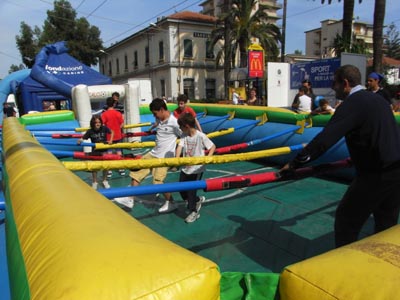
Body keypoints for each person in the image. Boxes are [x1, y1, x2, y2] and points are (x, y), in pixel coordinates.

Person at [280, 64, 400, 248]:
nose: (332, 88)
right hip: (395, 170)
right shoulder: (377, 100)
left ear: (344, 83)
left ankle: (343, 266)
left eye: (333, 83)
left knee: (346, 220)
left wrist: (295, 164)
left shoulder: (353, 104)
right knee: (386, 223)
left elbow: (325, 140)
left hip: (375, 173)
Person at [123, 98, 182, 213]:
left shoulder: (174, 122)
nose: (154, 116)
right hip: (153, 153)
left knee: (157, 183)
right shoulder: (159, 119)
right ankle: (130, 199)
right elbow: (157, 123)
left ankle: (171, 203)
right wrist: (151, 128)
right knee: (136, 172)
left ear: (161, 110)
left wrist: (179, 155)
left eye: (155, 113)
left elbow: (184, 136)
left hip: (164, 157)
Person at [176, 113, 216, 223]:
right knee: (181, 188)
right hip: (186, 168)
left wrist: (208, 158)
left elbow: (212, 146)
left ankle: (193, 212)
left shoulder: (201, 136)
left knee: (191, 190)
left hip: (197, 168)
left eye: (181, 126)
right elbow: (180, 147)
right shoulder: (184, 135)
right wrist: (176, 159)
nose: (180, 129)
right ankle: (197, 200)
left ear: (187, 126)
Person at [77, 116, 114, 190]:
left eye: (99, 122)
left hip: (104, 150)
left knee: (105, 166)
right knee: (95, 168)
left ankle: (105, 180)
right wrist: (79, 140)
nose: (98, 124)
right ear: (93, 123)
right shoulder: (90, 131)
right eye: (96, 123)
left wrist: (111, 140)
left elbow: (112, 131)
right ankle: (94, 182)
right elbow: (84, 137)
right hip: (95, 151)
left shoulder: (104, 128)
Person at [101, 97, 125, 177]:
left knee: (109, 152)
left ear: (106, 104)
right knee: (119, 152)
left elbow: (102, 125)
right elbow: (122, 124)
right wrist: (117, 128)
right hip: (118, 135)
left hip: (108, 136)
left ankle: (109, 170)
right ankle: (121, 168)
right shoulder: (118, 113)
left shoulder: (104, 114)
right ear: (114, 104)